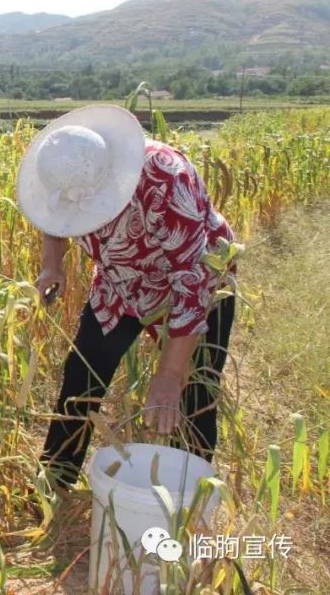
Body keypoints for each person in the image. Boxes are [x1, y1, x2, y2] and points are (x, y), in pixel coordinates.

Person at [16, 104, 237, 488]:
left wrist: (168, 374)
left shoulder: (166, 178)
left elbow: (191, 283)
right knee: (83, 372)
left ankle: (190, 492)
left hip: (200, 279)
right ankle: (56, 477)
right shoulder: (58, 169)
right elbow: (52, 222)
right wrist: (53, 265)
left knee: (195, 385)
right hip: (122, 282)